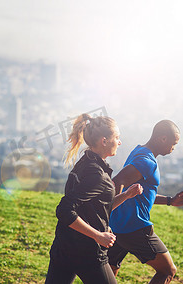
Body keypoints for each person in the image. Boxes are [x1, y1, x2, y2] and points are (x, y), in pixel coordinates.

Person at [45, 114, 143, 284]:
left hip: (64, 246)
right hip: (87, 253)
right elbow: (65, 210)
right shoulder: (97, 175)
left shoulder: (85, 162)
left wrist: (126, 196)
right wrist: (98, 235)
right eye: (117, 138)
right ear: (104, 141)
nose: (119, 142)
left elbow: (95, 207)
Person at [108, 120, 183, 284]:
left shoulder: (139, 151)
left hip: (118, 226)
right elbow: (118, 181)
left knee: (110, 272)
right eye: (173, 143)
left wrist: (170, 201)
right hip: (134, 228)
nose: (173, 148)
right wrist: (107, 209)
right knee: (168, 270)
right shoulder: (147, 161)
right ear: (163, 139)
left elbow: (140, 193)